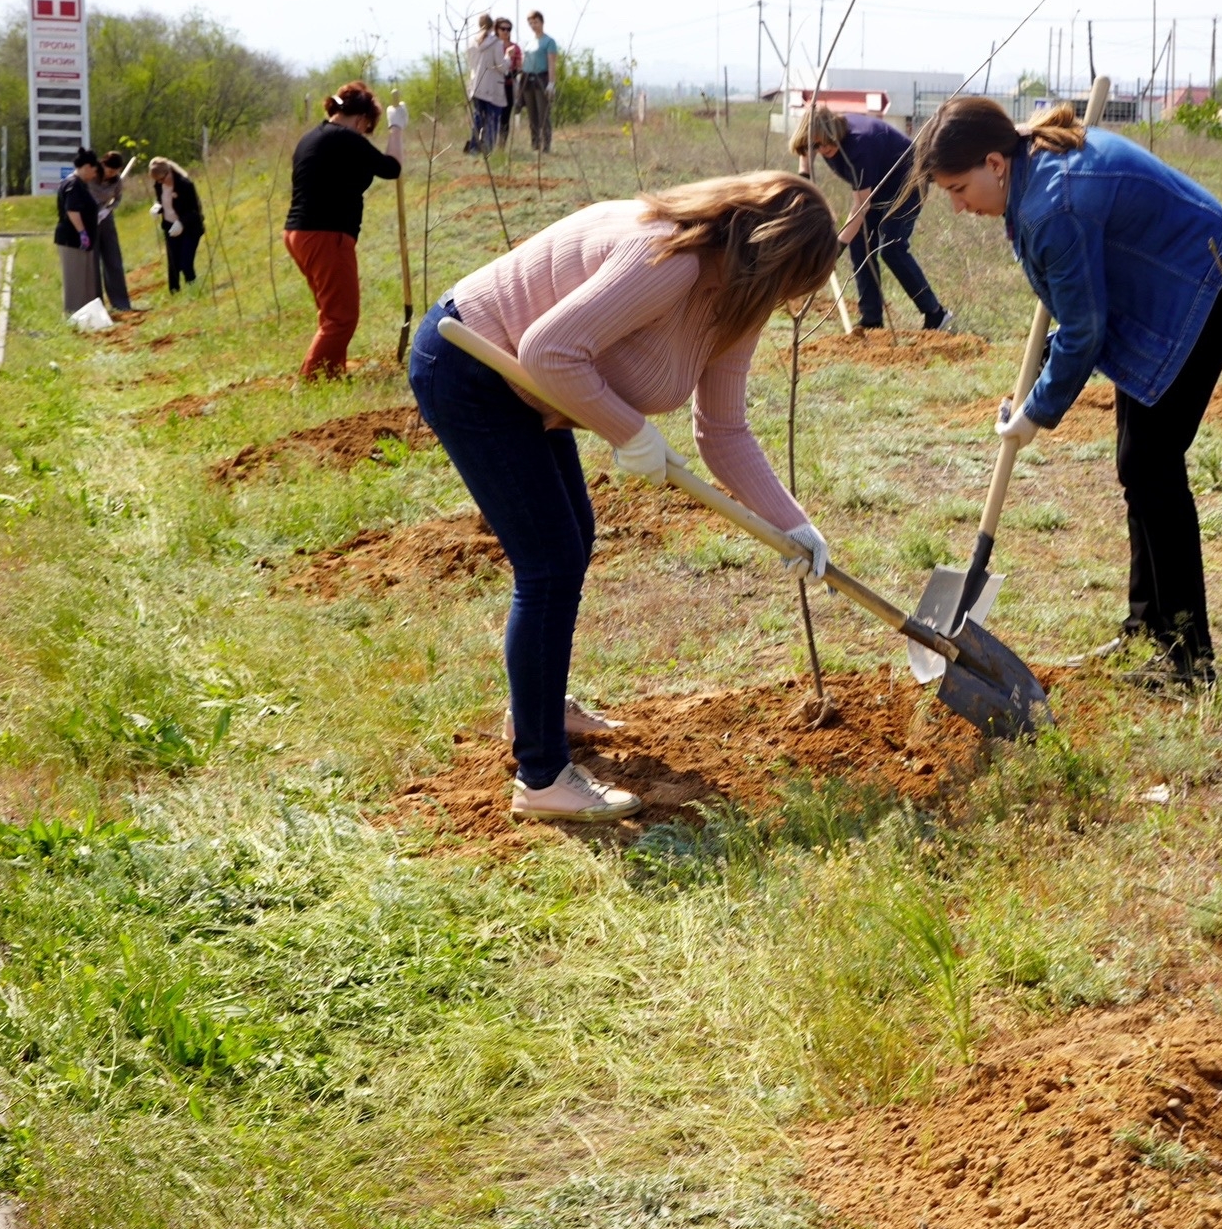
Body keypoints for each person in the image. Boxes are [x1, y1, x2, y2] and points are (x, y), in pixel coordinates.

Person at [407, 172, 840, 820]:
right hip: (472, 364)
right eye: (786, 284)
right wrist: (632, 433)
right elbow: (549, 351)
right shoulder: (665, 258)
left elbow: (722, 430)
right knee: (548, 560)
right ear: (766, 255)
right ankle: (543, 777)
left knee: (570, 540)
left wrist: (793, 525)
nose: (782, 302)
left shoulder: (737, 301)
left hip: (528, 393)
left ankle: (537, 710)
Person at [918, 97, 1222, 688]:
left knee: (1151, 467)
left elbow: (1084, 331)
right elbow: (1076, 307)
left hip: (1206, 287)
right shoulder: (1032, 173)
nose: (957, 205)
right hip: (1160, 285)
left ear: (995, 162)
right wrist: (1036, 386)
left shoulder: (1052, 205)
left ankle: (1188, 660)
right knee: (1140, 466)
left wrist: (1037, 412)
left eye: (958, 187)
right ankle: (1146, 627)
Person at [790, 105, 952, 332]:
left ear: (832, 131)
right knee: (860, 245)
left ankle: (936, 314)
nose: (821, 149)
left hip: (907, 185)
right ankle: (872, 319)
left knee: (892, 248)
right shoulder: (819, 139)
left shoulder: (858, 146)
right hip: (877, 188)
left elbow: (861, 205)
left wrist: (835, 249)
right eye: (815, 145)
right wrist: (804, 180)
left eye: (823, 143)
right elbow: (804, 153)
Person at [285, 82, 404, 379]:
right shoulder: (346, 139)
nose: (365, 133)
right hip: (326, 235)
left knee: (330, 314)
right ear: (362, 119)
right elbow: (392, 168)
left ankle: (331, 375)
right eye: (368, 127)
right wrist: (396, 129)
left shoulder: (312, 137)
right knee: (342, 318)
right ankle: (311, 385)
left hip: (298, 234)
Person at [54, 150, 104, 316]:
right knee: (75, 281)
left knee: (85, 282)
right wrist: (82, 232)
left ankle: (87, 315)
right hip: (72, 240)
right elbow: (72, 210)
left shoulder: (81, 184)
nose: (95, 174)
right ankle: (73, 315)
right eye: (95, 170)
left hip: (84, 242)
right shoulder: (73, 184)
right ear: (87, 167)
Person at [150, 157, 206, 293]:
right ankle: (174, 292)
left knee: (186, 262)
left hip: (189, 228)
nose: (161, 182)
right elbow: (161, 201)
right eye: (158, 181)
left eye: (163, 179)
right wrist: (158, 207)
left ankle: (194, 290)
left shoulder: (185, 185)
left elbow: (195, 211)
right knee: (173, 264)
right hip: (170, 227)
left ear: (169, 172)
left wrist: (181, 223)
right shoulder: (158, 185)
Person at [92, 150, 138, 315]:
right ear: (103, 164)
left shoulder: (116, 181)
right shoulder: (90, 175)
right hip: (88, 218)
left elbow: (117, 199)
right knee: (92, 262)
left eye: (116, 172)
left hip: (106, 217)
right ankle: (96, 304)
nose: (112, 174)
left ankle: (120, 303)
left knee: (113, 260)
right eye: (110, 170)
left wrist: (108, 210)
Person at [464, 14, 510, 153]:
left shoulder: (472, 42)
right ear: (492, 27)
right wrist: (508, 56)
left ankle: (474, 147)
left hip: (476, 85)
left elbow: (471, 64)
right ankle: (488, 148)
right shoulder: (496, 43)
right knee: (493, 118)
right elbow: (501, 66)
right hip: (492, 86)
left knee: (479, 118)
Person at [520, 10, 560, 153]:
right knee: (532, 115)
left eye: (535, 22)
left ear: (541, 22)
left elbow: (551, 63)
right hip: (527, 80)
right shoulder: (529, 43)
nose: (533, 25)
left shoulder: (549, 41)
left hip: (541, 79)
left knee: (543, 114)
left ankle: (546, 146)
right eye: (530, 23)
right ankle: (535, 144)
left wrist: (551, 83)